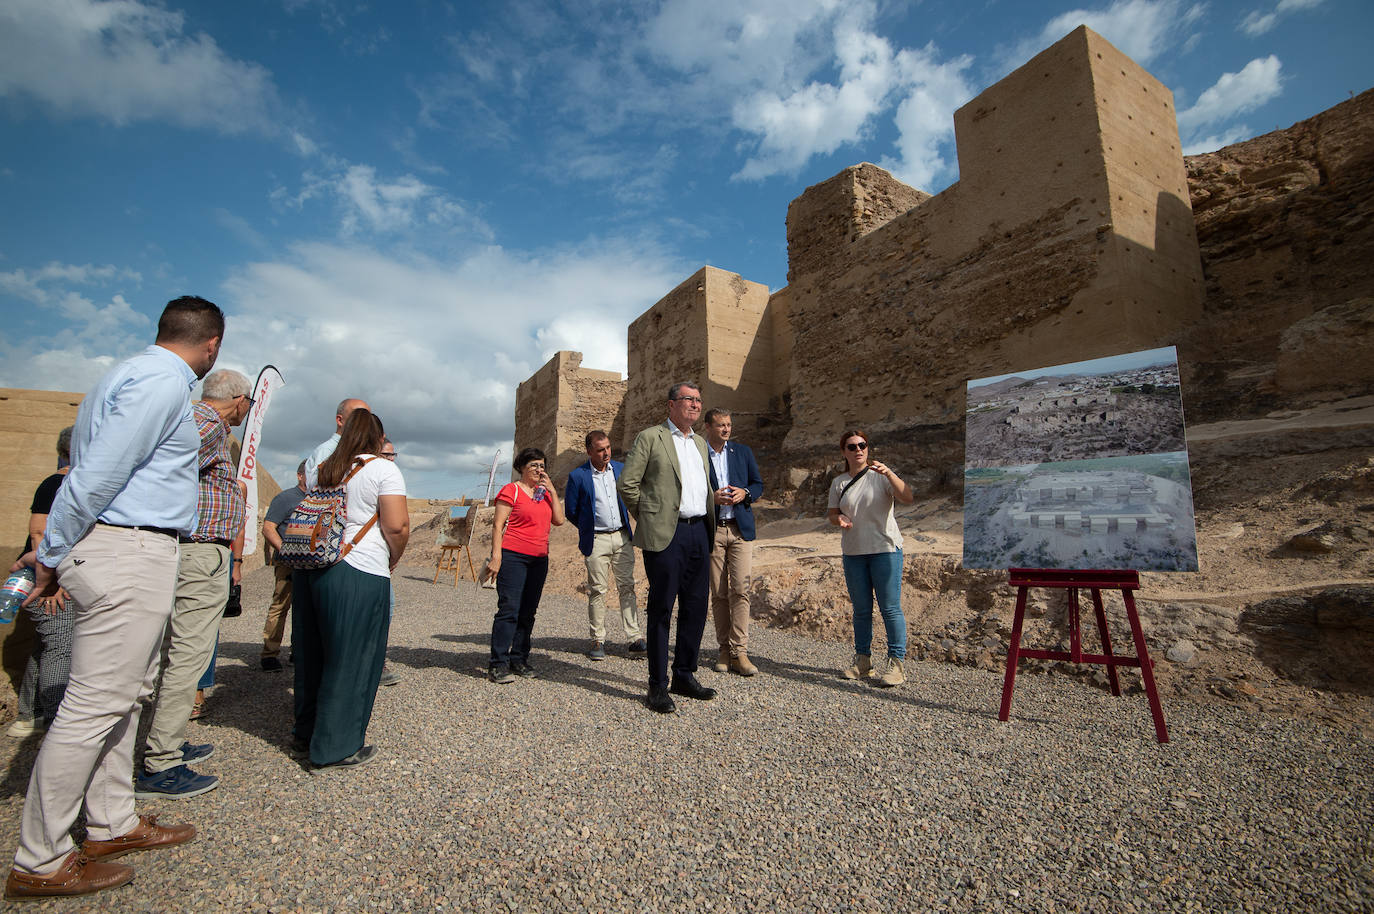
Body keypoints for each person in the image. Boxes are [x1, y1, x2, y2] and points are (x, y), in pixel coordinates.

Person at [4, 296, 221, 901]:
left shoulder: (128, 373)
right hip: (127, 548)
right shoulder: (160, 382)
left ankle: (111, 822)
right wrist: (50, 555)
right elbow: (96, 473)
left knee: (125, 695)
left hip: (130, 547)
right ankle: (40, 859)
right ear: (213, 345)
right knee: (95, 704)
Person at [134, 369, 252, 799]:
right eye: (249, 404)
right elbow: (157, 469)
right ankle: (161, 762)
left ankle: (167, 741)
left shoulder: (202, 423)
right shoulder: (205, 423)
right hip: (198, 550)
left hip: (198, 551)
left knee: (179, 652)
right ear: (239, 400)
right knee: (187, 654)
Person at [292, 409, 408, 769]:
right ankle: (335, 747)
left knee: (314, 657)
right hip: (359, 568)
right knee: (353, 660)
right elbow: (397, 525)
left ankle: (305, 734)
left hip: (312, 566)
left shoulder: (322, 468)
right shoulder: (382, 469)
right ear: (377, 439)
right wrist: (394, 558)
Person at [618, 382, 717, 714]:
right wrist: (650, 517)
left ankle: (684, 675)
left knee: (696, 607)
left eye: (698, 401)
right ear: (672, 405)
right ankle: (657, 685)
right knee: (662, 609)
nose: (695, 405)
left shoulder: (701, 444)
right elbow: (627, 484)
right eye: (688, 400)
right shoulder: (651, 437)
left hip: (699, 532)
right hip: (666, 535)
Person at [302, 398, 401, 688]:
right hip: (353, 559)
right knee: (349, 647)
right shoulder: (375, 467)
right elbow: (397, 526)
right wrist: (394, 556)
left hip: (321, 555)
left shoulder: (328, 459)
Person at [827, 428, 914, 687]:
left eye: (862, 445)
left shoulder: (881, 476)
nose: (858, 450)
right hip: (854, 552)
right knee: (861, 610)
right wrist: (838, 519)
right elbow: (832, 513)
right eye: (852, 447)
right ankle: (863, 661)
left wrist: (890, 473)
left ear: (868, 447)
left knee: (889, 608)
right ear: (844, 452)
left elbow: (907, 496)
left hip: (885, 550)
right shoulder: (839, 482)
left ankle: (897, 663)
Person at [7, 427, 77, 738]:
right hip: (46, 579)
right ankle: (54, 722)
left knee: (46, 646)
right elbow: (39, 532)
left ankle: (29, 715)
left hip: (47, 575)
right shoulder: (58, 483)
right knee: (61, 647)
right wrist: (51, 577)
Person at [564, 430, 645, 661]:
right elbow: (571, 510)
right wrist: (588, 527)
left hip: (622, 537)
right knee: (598, 590)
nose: (606, 453)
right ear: (589, 451)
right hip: (596, 539)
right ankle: (597, 639)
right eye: (600, 449)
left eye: (608, 447)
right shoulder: (577, 476)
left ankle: (634, 638)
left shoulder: (620, 469)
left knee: (627, 587)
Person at [486, 448, 565, 683]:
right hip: (513, 557)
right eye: (534, 465)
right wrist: (496, 556)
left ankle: (519, 659)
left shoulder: (545, 493)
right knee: (509, 609)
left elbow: (559, 520)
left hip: (539, 559)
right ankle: (498, 663)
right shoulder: (511, 490)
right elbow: (498, 525)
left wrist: (551, 489)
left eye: (542, 465)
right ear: (522, 467)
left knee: (528, 612)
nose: (539, 470)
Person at [704, 408, 764, 677]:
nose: (726, 429)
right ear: (708, 427)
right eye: (721, 425)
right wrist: (711, 499)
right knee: (718, 593)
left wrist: (746, 492)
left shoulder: (742, 451)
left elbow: (758, 484)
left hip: (740, 530)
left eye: (729, 424)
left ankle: (740, 650)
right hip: (713, 530)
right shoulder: (698, 453)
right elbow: (690, 488)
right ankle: (723, 650)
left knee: (741, 589)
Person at [260, 461, 308, 671]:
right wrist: (286, 553)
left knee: (306, 608)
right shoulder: (285, 498)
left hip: (309, 564)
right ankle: (269, 653)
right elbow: (268, 528)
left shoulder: (317, 499)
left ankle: (299, 650)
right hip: (288, 564)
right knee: (280, 606)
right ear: (300, 476)